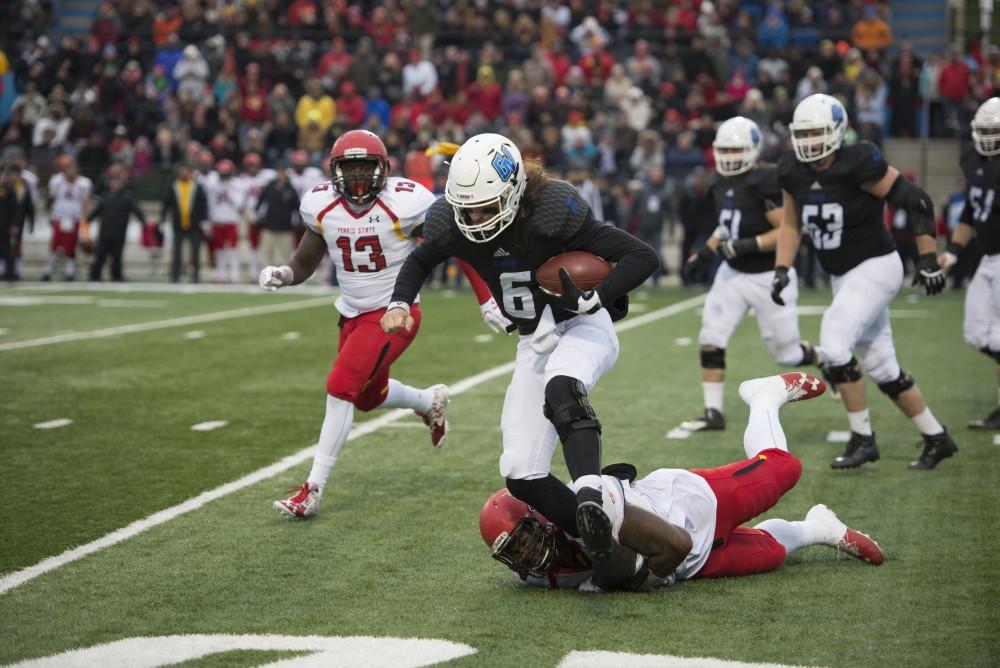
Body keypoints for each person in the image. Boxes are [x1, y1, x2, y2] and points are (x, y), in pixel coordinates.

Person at [382, 133, 659, 548]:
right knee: (520, 473)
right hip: (533, 339)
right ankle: (596, 543)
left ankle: (591, 494)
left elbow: (642, 256)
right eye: (466, 210)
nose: (474, 220)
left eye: (484, 208)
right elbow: (421, 258)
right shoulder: (453, 221)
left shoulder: (549, 213)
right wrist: (400, 300)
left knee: (562, 386)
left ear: (513, 191)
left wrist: (594, 297)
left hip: (582, 325)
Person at [480, 372, 884, 591]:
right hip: (687, 566)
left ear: (544, 514)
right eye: (515, 549)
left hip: (691, 504)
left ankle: (763, 397)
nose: (529, 553)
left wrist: (633, 578)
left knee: (784, 469)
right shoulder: (536, 575)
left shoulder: (592, 508)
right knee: (772, 554)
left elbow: (676, 543)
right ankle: (819, 527)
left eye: (527, 537)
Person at [261, 130, 454, 519]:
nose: (358, 176)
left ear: (384, 168)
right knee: (368, 396)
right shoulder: (320, 206)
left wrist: (485, 297)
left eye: (366, 166)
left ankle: (312, 489)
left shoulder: (406, 202)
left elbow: (447, 241)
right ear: (334, 171)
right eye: (350, 168)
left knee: (341, 386)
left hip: (393, 314)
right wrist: (283, 273)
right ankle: (427, 401)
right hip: (351, 312)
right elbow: (305, 261)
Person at [771, 93, 957, 470]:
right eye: (803, 134)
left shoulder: (858, 162)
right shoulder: (792, 169)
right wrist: (782, 268)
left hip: (875, 265)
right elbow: (790, 224)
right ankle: (937, 437)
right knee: (883, 367)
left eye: (817, 132)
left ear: (838, 131)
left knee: (835, 344)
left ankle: (863, 439)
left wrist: (926, 258)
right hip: (843, 275)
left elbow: (917, 201)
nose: (809, 142)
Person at [680, 117, 818, 433]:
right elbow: (728, 224)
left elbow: (787, 229)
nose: (729, 156)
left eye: (736, 149)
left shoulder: (765, 180)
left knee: (787, 353)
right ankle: (713, 412)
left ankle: (820, 357)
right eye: (724, 149)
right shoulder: (720, 182)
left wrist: (746, 245)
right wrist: (705, 252)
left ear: (753, 149)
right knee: (711, 336)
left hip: (769, 274)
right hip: (734, 274)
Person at [939, 97, 1000, 429]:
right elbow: (973, 212)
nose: (990, 136)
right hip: (988, 258)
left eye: (996, 130)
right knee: (977, 332)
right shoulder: (974, 161)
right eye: (985, 130)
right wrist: (952, 253)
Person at [87, 165, 149, 281]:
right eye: (114, 182)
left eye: (118, 182)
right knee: (100, 255)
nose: (116, 184)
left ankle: (116, 276)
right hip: (104, 233)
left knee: (117, 257)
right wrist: (87, 221)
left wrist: (144, 224)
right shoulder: (105, 197)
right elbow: (96, 212)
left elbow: (137, 211)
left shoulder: (127, 197)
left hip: (119, 233)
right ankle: (95, 275)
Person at [43, 155, 93, 282]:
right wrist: (48, 214)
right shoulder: (56, 181)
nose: (70, 170)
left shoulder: (84, 183)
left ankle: (70, 272)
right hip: (59, 217)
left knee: (71, 245)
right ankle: (47, 270)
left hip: (74, 218)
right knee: (55, 244)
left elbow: (86, 202)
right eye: (67, 168)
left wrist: (85, 220)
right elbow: (50, 199)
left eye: (72, 167)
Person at [161, 162, 208, 283]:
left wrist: (205, 220)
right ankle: (175, 276)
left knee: (195, 252)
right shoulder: (174, 185)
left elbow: (203, 204)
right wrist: (163, 219)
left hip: (195, 225)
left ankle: (195, 276)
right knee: (177, 252)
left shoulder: (196, 185)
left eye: (187, 170)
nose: (184, 173)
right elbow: (166, 203)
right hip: (178, 224)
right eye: (182, 170)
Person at [204, 158, 245, 283]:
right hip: (217, 220)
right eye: (222, 173)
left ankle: (234, 274)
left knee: (233, 249)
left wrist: (229, 191)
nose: (224, 176)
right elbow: (210, 202)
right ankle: (220, 274)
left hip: (231, 220)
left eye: (226, 173)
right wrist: (209, 220)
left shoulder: (237, 184)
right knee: (219, 250)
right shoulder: (213, 184)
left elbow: (239, 204)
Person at [255, 167, 299, 269]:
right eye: (279, 173)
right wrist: (258, 215)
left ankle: (286, 271)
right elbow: (261, 201)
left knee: (286, 252)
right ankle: (264, 270)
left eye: (282, 173)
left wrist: (298, 220)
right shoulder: (269, 187)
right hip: (269, 224)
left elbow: (297, 205)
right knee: (266, 251)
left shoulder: (290, 188)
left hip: (286, 226)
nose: (280, 176)